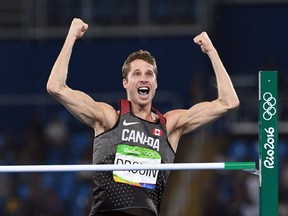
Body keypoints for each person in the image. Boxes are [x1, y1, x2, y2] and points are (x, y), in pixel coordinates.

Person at [47, 18, 239, 216]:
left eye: (149, 74)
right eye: (136, 74)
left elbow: (229, 102)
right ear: (125, 83)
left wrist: (212, 52)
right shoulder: (108, 118)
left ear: (155, 84)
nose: (144, 78)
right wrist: (71, 36)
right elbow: (56, 87)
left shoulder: (169, 125)